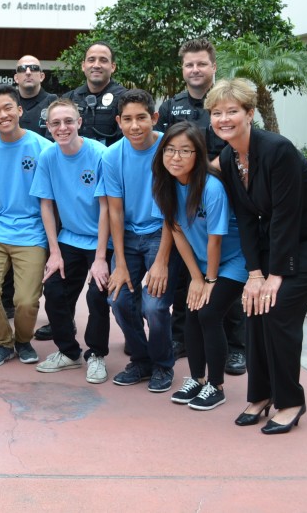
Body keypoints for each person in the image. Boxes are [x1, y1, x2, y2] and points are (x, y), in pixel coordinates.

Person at [207, 79, 307, 434]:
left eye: (232, 111)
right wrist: (254, 274)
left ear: (250, 114)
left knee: (280, 309)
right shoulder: (228, 157)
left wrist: (275, 275)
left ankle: (290, 401)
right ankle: (260, 395)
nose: (223, 118)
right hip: (280, 239)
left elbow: (287, 214)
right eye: (216, 112)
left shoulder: (277, 149)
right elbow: (245, 219)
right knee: (254, 305)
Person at [156, 38, 245, 374]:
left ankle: (237, 347)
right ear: (183, 70)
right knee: (184, 272)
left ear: (213, 67)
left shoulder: (223, 102)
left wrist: (211, 172)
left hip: (222, 192)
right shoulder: (170, 107)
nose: (195, 69)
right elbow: (164, 148)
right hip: (181, 192)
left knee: (224, 273)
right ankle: (184, 337)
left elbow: (239, 142)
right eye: (189, 64)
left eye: (201, 64)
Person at [152, 122, 247, 411]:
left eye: (184, 151)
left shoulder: (211, 187)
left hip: (233, 261)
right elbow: (177, 232)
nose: (176, 157)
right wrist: (196, 277)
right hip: (203, 263)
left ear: (198, 154)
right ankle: (196, 378)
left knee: (207, 312)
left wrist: (209, 280)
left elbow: (216, 241)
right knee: (191, 310)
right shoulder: (164, 183)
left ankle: (215, 386)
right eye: (170, 150)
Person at [30, 100, 112, 383]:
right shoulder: (48, 156)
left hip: (103, 239)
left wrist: (101, 258)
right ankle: (68, 352)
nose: (62, 128)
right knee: (52, 289)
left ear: (79, 122)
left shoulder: (100, 154)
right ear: (48, 127)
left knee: (97, 293)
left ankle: (97, 355)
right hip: (70, 238)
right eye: (56, 123)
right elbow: (46, 205)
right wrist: (54, 252)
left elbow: (106, 208)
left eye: (68, 121)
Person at [104, 89, 176, 393]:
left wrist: (161, 261)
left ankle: (163, 364)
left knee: (155, 306)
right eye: (129, 119)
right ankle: (141, 359)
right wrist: (119, 263)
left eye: (142, 118)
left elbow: (174, 208)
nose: (135, 126)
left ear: (154, 118)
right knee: (117, 300)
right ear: (119, 121)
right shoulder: (112, 155)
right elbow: (115, 212)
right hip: (128, 237)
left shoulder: (169, 149)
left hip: (164, 233)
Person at [0, 84, 50, 367]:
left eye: (8, 107)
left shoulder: (43, 147)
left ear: (20, 110)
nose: (2, 114)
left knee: (27, 301)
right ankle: (3, 343)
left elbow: (49, 200)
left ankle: (22, 340)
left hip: (32, 233)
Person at [63, 41, 126, 147]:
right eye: (91, 60)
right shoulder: (69, 99)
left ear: (113, 67)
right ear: (83, 66)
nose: (96, 65)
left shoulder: (125, 99)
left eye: (103, 60)